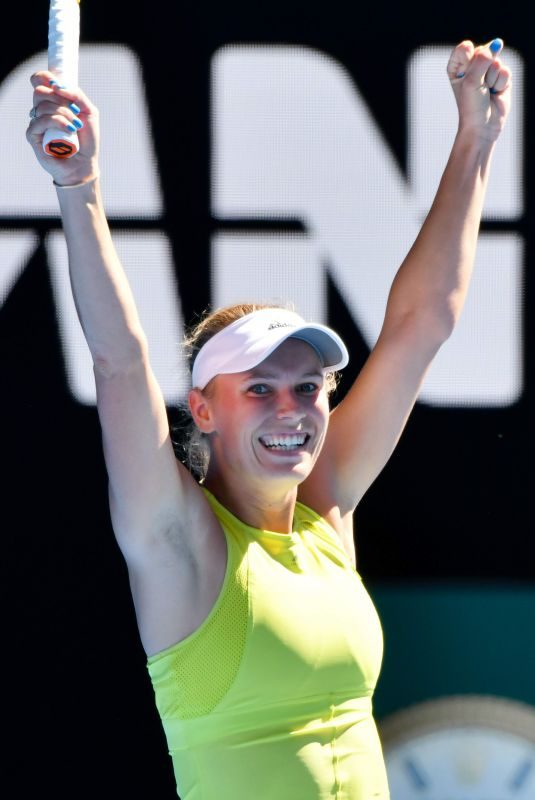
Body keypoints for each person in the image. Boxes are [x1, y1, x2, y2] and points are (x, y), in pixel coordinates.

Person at [26, 37, 511, 800]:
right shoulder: (178, 541)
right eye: (259, 389)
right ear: (202, 410)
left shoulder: (327, 508)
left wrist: (475, 138)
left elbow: (422, 323)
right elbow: (119, 361)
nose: (292, 410)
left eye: (308, 387)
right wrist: (80, 189)